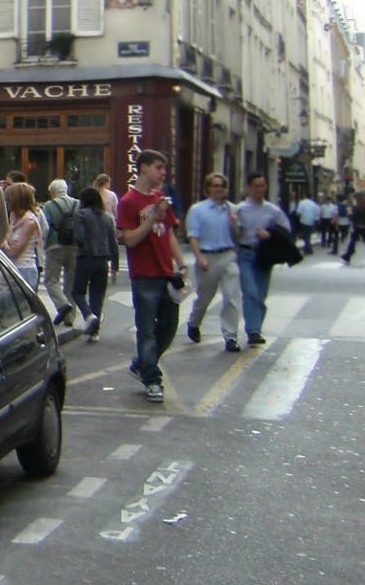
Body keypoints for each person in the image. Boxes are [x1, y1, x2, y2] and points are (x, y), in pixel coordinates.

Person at [117, 149, 189, 404]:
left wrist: (181, 263)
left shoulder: (161, 197)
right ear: (144, 167)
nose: (163, 173)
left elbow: (168, 234)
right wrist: (153, 217)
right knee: (146, 330)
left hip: (166, 273)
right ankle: (152, 379)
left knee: (169, 327)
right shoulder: (128, 201)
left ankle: (141, 363)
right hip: (144, 275)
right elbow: (130, 240)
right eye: (159, 167)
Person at [184, 172, 242, 352]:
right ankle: (194, 323)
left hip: (228, 256)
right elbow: (193, 236)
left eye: (221, 186)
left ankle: (231, 336)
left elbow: (240, 237)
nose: (218, 189)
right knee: (205, 297)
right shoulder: (197, 210)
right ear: (208, 188)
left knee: (232, 297)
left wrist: (235, 223)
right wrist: (199, 258)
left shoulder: (232, 209)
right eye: (215, 186)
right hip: (207, 256)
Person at [236, 172, 292, 345]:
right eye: (256, 186)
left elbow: (286, 231)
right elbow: (232, 233)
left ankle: (256, 328)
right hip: (245, 253)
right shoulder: (240, 210)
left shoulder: (273, 211)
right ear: (248, 187)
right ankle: (253, 331)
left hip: (263, 255)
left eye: (262, 186)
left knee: (260, 295)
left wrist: (269, 234)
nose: (260, 189)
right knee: (250, 292)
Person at [69, 187, 119, 341]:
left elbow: (79, 237)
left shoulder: (81, 214)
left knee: (77, 291)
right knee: (97, 296)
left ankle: (88, 315)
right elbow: (113, 243)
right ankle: (94, 332)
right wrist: (115, 265)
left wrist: (80, 245)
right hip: (103, 260)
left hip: (85, 258)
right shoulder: (107, 218)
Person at [42, 179, 79, 326]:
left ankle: (62, 304)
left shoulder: (49, 206)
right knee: (71, 282)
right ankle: (70, 318)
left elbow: (45, 227)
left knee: (51, 280)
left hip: (55, 246)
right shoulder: (78, 204)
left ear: (53, 192)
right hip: (75, 247)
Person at [2, 182, 41, 288]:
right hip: (12, 267)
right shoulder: (14, 217)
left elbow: (14, 252)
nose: (7, 203)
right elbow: (5, 238)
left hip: (25, 269)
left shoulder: (30, 222)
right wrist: (7, 244)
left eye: (8, 200)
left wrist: (5, 244)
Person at [341, 192, 365, 266]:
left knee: (352, 242)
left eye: (354, 199)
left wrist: (349, 213)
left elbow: (353, 218)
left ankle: (348, 256)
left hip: (357, 226)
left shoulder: (356, 208)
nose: (354, 200)